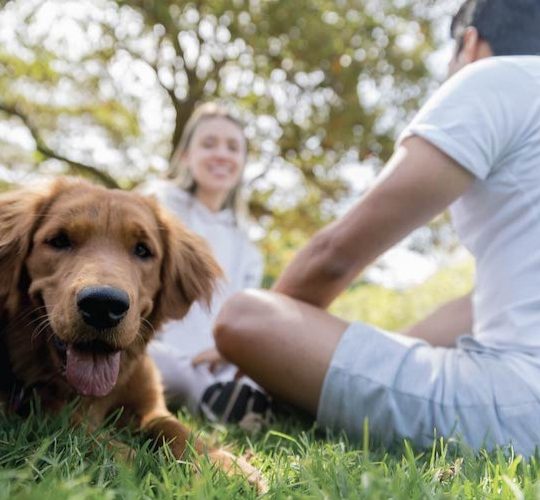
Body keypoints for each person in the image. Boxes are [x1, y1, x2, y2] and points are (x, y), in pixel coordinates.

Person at [212, 0, 540, 455]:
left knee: (244, 314)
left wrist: (262, 356)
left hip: (516, 407)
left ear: (469, 44)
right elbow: (479, 305)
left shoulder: (496, 79)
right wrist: (354, 358)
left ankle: (276, 401)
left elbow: (336, 255)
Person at [139, 102, 272, 424]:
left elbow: (244, 312)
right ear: (186, 155)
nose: (221, 155)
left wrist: (228, 351)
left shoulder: (246, 242)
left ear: (242, 161)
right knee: (164, 368)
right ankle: (213, 399)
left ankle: (232, 395)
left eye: (232, 147)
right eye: (209, 144)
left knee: (262, 368)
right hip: (157, 344)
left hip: (217, 354)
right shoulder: (156, 205)